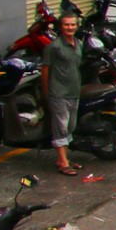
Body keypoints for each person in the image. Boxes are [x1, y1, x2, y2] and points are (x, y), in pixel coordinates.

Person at [41, 11, 84, 176]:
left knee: (70, 126)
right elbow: (45, 70)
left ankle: (62, 158)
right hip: (58, 92)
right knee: (60, 126)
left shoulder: (79, 44)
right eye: (66, 24)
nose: (70, 27)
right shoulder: (54, 47)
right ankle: (63, 162)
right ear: (60, 27)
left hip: (74, 91)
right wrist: (46, 92)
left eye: (73, 24)